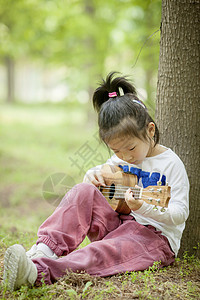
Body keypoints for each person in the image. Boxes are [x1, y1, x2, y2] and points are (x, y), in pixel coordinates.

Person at [3, 72, 189, 292]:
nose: (125, 157)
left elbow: (180, 213)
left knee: (101, 252)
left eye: (130, 148)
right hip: (118, 223)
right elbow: (102, 174)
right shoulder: (120, 157)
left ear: (150, 130)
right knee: (82, 190)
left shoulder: (170, 164)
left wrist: (145, 208)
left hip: (152, 239)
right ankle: (44, 249)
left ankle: (37, 272)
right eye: (116, 150)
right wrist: (92, 175)